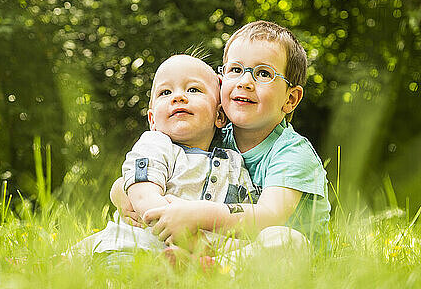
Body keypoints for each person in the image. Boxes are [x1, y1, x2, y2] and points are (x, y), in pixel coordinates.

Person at [111, 20, 331, 265]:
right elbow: (156, 165)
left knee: (286, 240)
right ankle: (199, 268)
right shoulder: (211, 134)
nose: (245, 81)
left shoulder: (292, 152)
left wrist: (197, 214)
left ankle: (218, 270)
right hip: (218, 246)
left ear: (290, 99)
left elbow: (269, 216)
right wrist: (122, 192)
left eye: (263, 74)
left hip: (281, 257)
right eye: (235, 70)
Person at [69, 54, 255, 256]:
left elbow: (244, 217)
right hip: (135, 247)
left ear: (219, 115)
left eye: (193, 90)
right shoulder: (156, 145)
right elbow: (143, 195)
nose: (178, 97)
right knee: (120, 267)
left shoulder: (235, 161)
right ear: (152, 120)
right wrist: (191, 240)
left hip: (201, 255)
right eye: (165, 92)